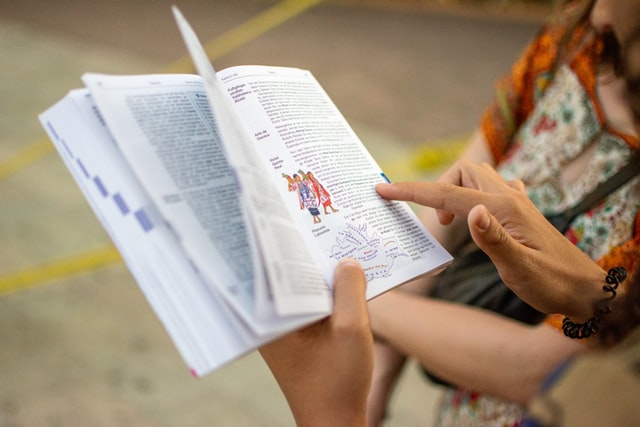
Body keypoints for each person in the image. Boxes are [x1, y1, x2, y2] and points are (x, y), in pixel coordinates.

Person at [367, 0, 640, 424]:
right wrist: (380, 373)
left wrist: (366, 304)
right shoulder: (574, 38)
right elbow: (455, 195)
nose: (598, 7)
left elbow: (540, 367)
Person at [259, 160, 640, 427]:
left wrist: (329, 412)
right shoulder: (568, 55)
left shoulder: (602, 401)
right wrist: (593, 295)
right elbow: (451, 199)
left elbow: (539, 370)